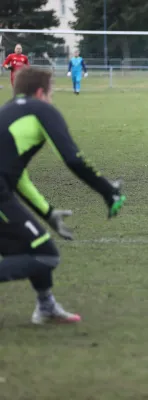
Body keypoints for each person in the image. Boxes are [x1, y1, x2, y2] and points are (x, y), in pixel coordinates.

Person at [0, 67, 126, 324]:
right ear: (40, 92)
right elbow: (72, 158)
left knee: (36, 247)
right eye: (52, 92)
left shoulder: (8, 111)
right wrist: (108, 191)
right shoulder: (41, 109)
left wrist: (48, 212)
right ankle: (46, 307)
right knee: (47, 255)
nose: (52, 98)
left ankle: (46, 307)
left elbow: (17, 177)